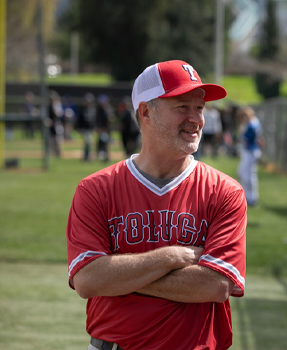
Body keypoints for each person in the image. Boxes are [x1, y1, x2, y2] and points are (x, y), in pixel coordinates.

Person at [66, 60, 247, 350]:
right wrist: (171, 258)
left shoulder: (224, 192)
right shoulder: (96, 189)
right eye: (182, 107)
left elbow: (216, 285)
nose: (196, 119)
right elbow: (88, 279)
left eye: (199, 108)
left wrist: (116, 275)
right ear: (146, 112)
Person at [237, 106, 264, 206]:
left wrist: (242, 133)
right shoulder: (254, 122)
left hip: (251, 151)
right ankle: (248, 197)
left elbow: (244, 138)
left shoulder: (252, 124)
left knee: (248, 175)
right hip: (251, 151)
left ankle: (251, 198)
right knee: (245, 174)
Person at [75, 93, 96, 162]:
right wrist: (79, 128)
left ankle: (87, 156)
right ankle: (87, 157)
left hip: (90, 129)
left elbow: (94, 120)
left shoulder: (92, 109)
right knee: (88, 142)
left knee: (89, 143)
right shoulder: (82, 109)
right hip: (85, 128)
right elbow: (79, 119)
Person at [95, 94, 114, 162]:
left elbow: (111, 120)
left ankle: (106, 157)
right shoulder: (99, 110)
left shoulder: (109, 109)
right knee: (100, 143)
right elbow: (98, 120)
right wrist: (99, 128)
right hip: (101, 129)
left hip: (107, 129)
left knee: (106, 143)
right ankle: (100, 155)